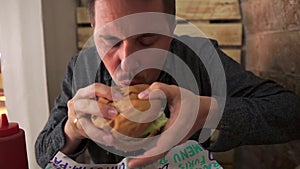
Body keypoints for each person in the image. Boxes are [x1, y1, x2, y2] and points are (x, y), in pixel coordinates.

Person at [35, 0, 300, 168]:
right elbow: (41, 153)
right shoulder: (81, 69)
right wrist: (73, 129)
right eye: (110, 40)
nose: (128, 62)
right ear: (93, 30)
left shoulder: (198, 58)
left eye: (147, 39)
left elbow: (291, 112)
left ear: (171, 29)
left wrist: (208, 112)